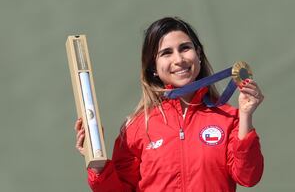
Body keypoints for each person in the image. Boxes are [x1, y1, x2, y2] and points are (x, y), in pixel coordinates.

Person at [74, 17, 264, 192]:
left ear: (198, 54)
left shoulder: (228, 117)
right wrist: (97, 165)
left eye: (185, 48)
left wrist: (246, 116)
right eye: (166, 53)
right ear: (153, 67)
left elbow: (248, 176)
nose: (179, 60)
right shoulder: (137, 128)